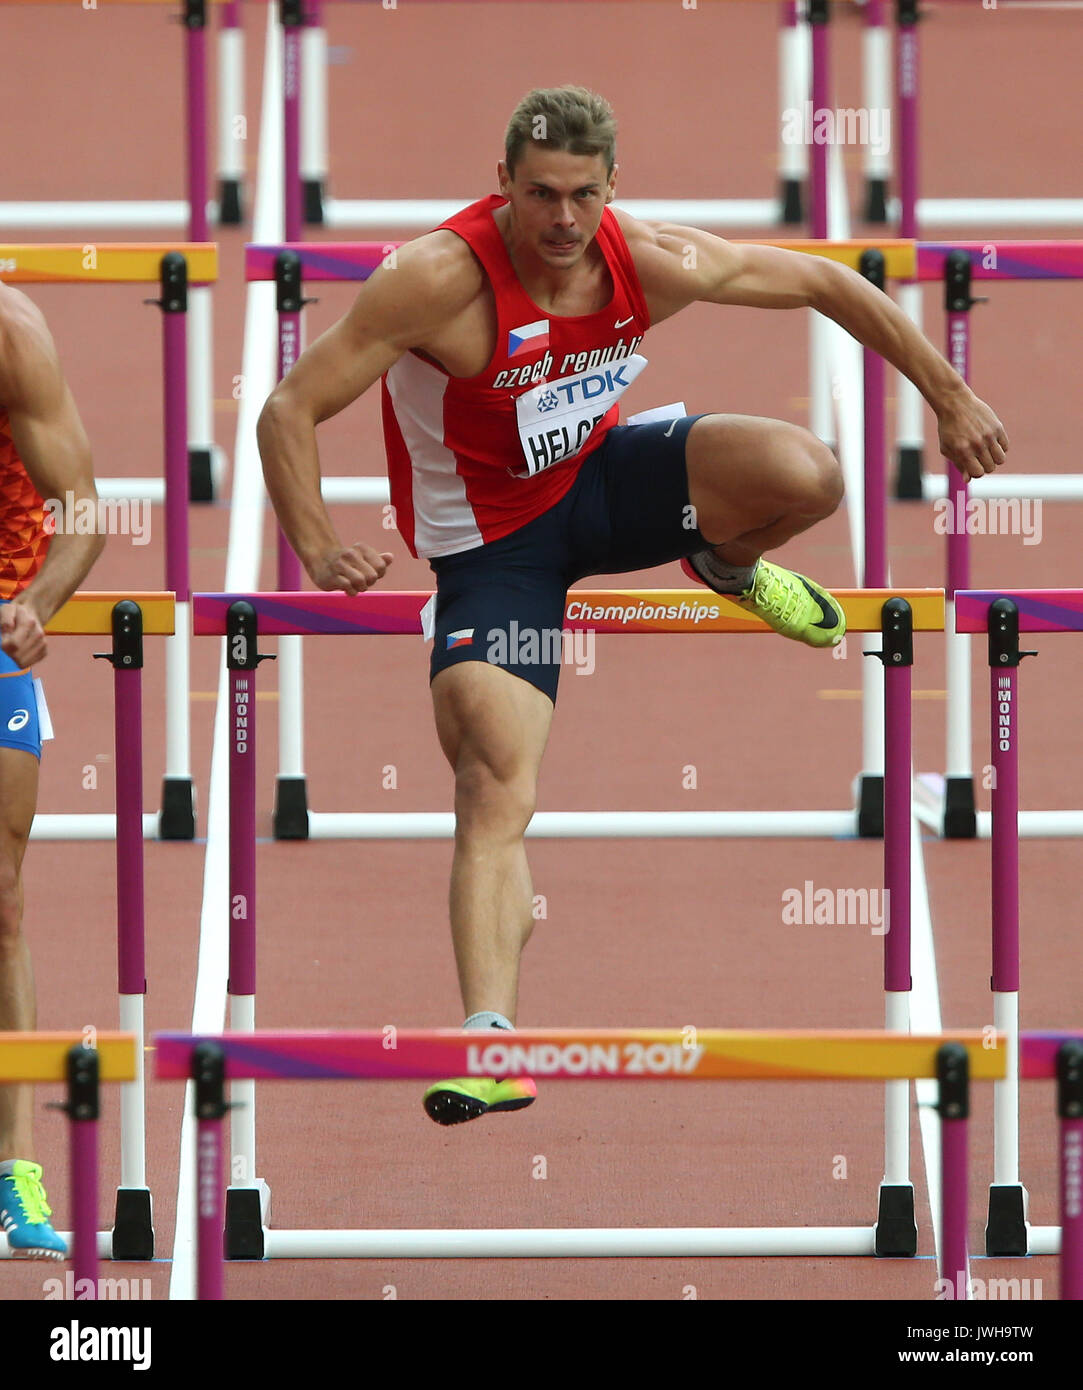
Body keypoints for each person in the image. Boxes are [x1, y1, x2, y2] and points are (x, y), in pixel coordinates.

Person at [258, 87, 1008, 1126]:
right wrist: (316, 546)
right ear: (503, 184)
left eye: (584, 195)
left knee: (809, 474)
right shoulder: (433, 279)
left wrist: (949, 395)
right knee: (491, 780)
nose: (563, 220)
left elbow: (828, 281)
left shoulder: (647, 257)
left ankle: (726, 564)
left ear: (613, 188)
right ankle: (490, 1040)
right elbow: (288, 407)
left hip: (604, 487)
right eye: (540, 195)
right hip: (495, 552)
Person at [0, 282, 104, 1253]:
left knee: (1, 898)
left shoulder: (11, 335)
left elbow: (83, 512)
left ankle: (14, 1168)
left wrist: (37, 607)